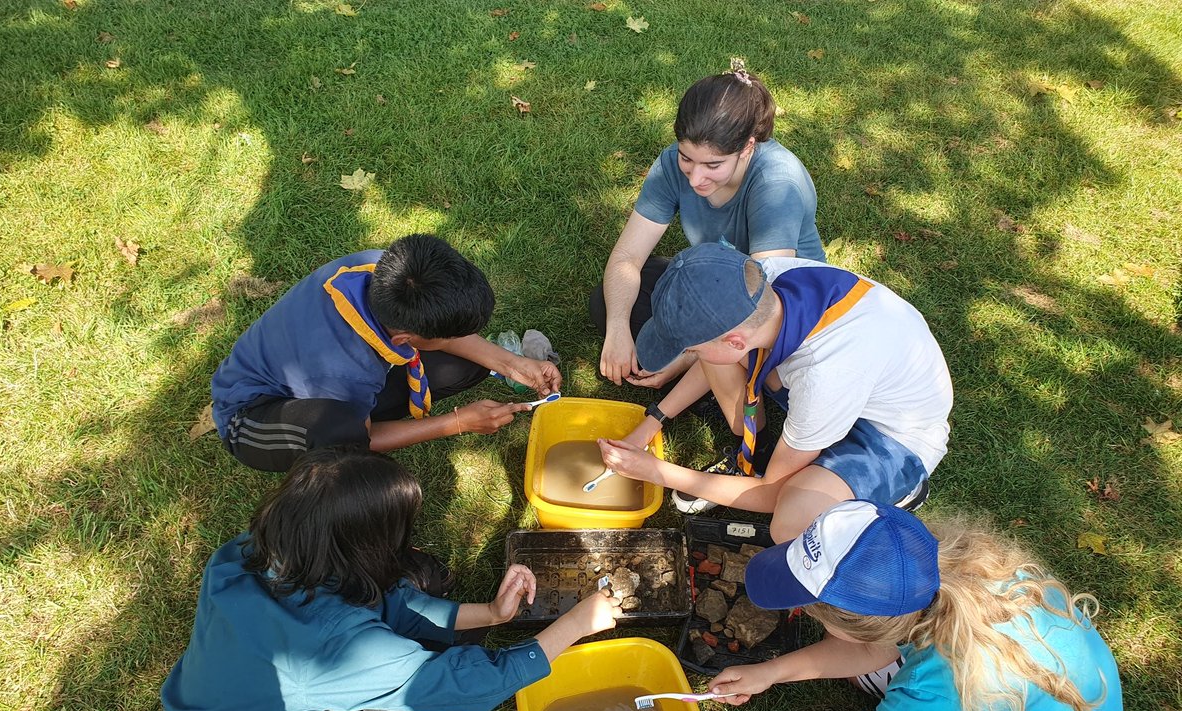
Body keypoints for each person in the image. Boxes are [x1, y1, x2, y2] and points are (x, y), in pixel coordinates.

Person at [160, 447, 623, 711]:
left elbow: (388, 598)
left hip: (288, 694)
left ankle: (375, 709)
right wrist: (578, 624)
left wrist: (493, 613)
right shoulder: (332, 642)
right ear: (356, 548)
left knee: (422, 581)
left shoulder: (257, 550)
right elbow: (472, 688)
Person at [623, 501, 1126, 711]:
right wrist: (769, 671)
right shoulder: (937, 571)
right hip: (1015, 699)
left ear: (868, 627)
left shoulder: (946, 688)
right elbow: (871, 649)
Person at [597, 243, 953, 541]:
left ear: (735, 340)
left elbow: (771, 493)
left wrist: (658, 471)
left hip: (890, 437)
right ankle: (761, 449)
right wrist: (651, 424)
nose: (688, 356)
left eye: (691, 349)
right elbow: (719, 356)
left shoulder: (825, 376)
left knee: (790, 518)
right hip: (842, 388)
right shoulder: (758, 283)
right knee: (720, 359)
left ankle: (900, 489)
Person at [211, 234, 560, 472]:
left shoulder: (382, 269)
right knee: (342, 432)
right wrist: (456, 423)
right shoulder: (344, 371)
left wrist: (513, 364)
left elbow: (441, 334)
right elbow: (363, 438)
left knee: (470, 364)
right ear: (405, 338)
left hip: (335, 374)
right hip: (255, 417)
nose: (463, 336)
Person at [590, 59, 825, 388]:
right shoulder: (672, 164)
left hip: (776, 308)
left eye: (713, 165)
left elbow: (756, 306)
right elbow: (628, 256)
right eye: (687, 158)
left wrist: (685, 357)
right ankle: (706, 372)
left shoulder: (777, 185)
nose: (696, 178)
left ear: (747, 148)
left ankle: (709, 376)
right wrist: (617, 330)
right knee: (609, 302)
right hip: (717, 282)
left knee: (769, 367)